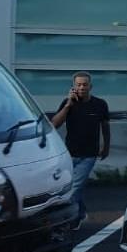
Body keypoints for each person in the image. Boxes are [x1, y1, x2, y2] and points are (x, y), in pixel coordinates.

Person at [51, 71, 110, 230]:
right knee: (71, 187)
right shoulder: (67, 103)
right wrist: (68, 105)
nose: (82, 87)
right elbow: (54, 124)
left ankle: (71, 220)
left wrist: (106, 146)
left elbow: (105, 126)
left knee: (74, 189)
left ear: (91, 86)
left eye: (85, 84)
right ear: (73, 87)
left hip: (89, 154)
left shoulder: (100, 104)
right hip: (69, 154)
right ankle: (81, 212)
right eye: (78, 85)